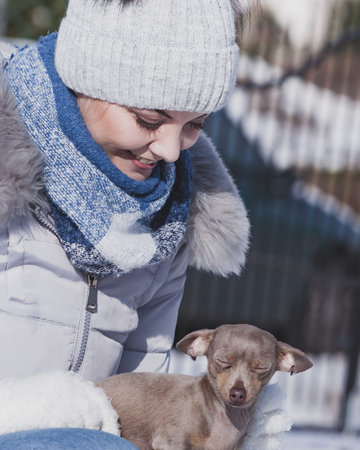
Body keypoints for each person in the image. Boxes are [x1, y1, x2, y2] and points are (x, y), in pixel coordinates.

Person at [0, 0, 251, 446]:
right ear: (87, 77)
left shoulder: (167, 219)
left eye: (195, 124)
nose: (172, 151)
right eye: (149, 119)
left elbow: (143, 392)